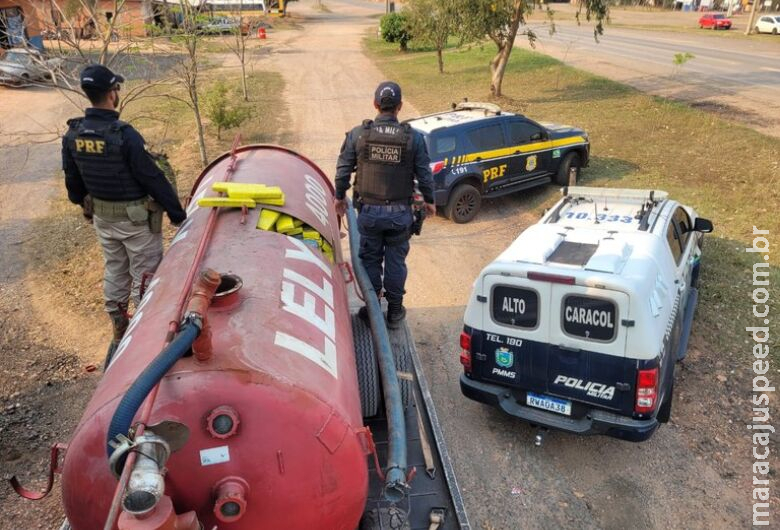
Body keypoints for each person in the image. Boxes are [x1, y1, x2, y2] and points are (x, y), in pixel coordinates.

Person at [62, 64, 187, 347]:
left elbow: (73, 182)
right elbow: (152, 177)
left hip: (103, 219)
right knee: (146, 276)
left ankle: (118, 322)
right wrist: (177, 214)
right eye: (116, 89)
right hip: (136, 223)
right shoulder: (124, 135)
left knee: (116, 269)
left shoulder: (73, 134)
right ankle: (147, 334)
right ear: (112, 93)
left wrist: (87, 202)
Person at [334, 81, 436, 329]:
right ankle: (395, 312)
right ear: (399, 106)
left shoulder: (359, 135)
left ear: (375, 105)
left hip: (368, 214)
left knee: (370, 260)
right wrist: (430, 202)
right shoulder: (413, 138)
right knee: (396, 262)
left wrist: (339, 198)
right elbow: (424, 175)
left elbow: (342, 172)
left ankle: (372, 311)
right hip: (399, 215)